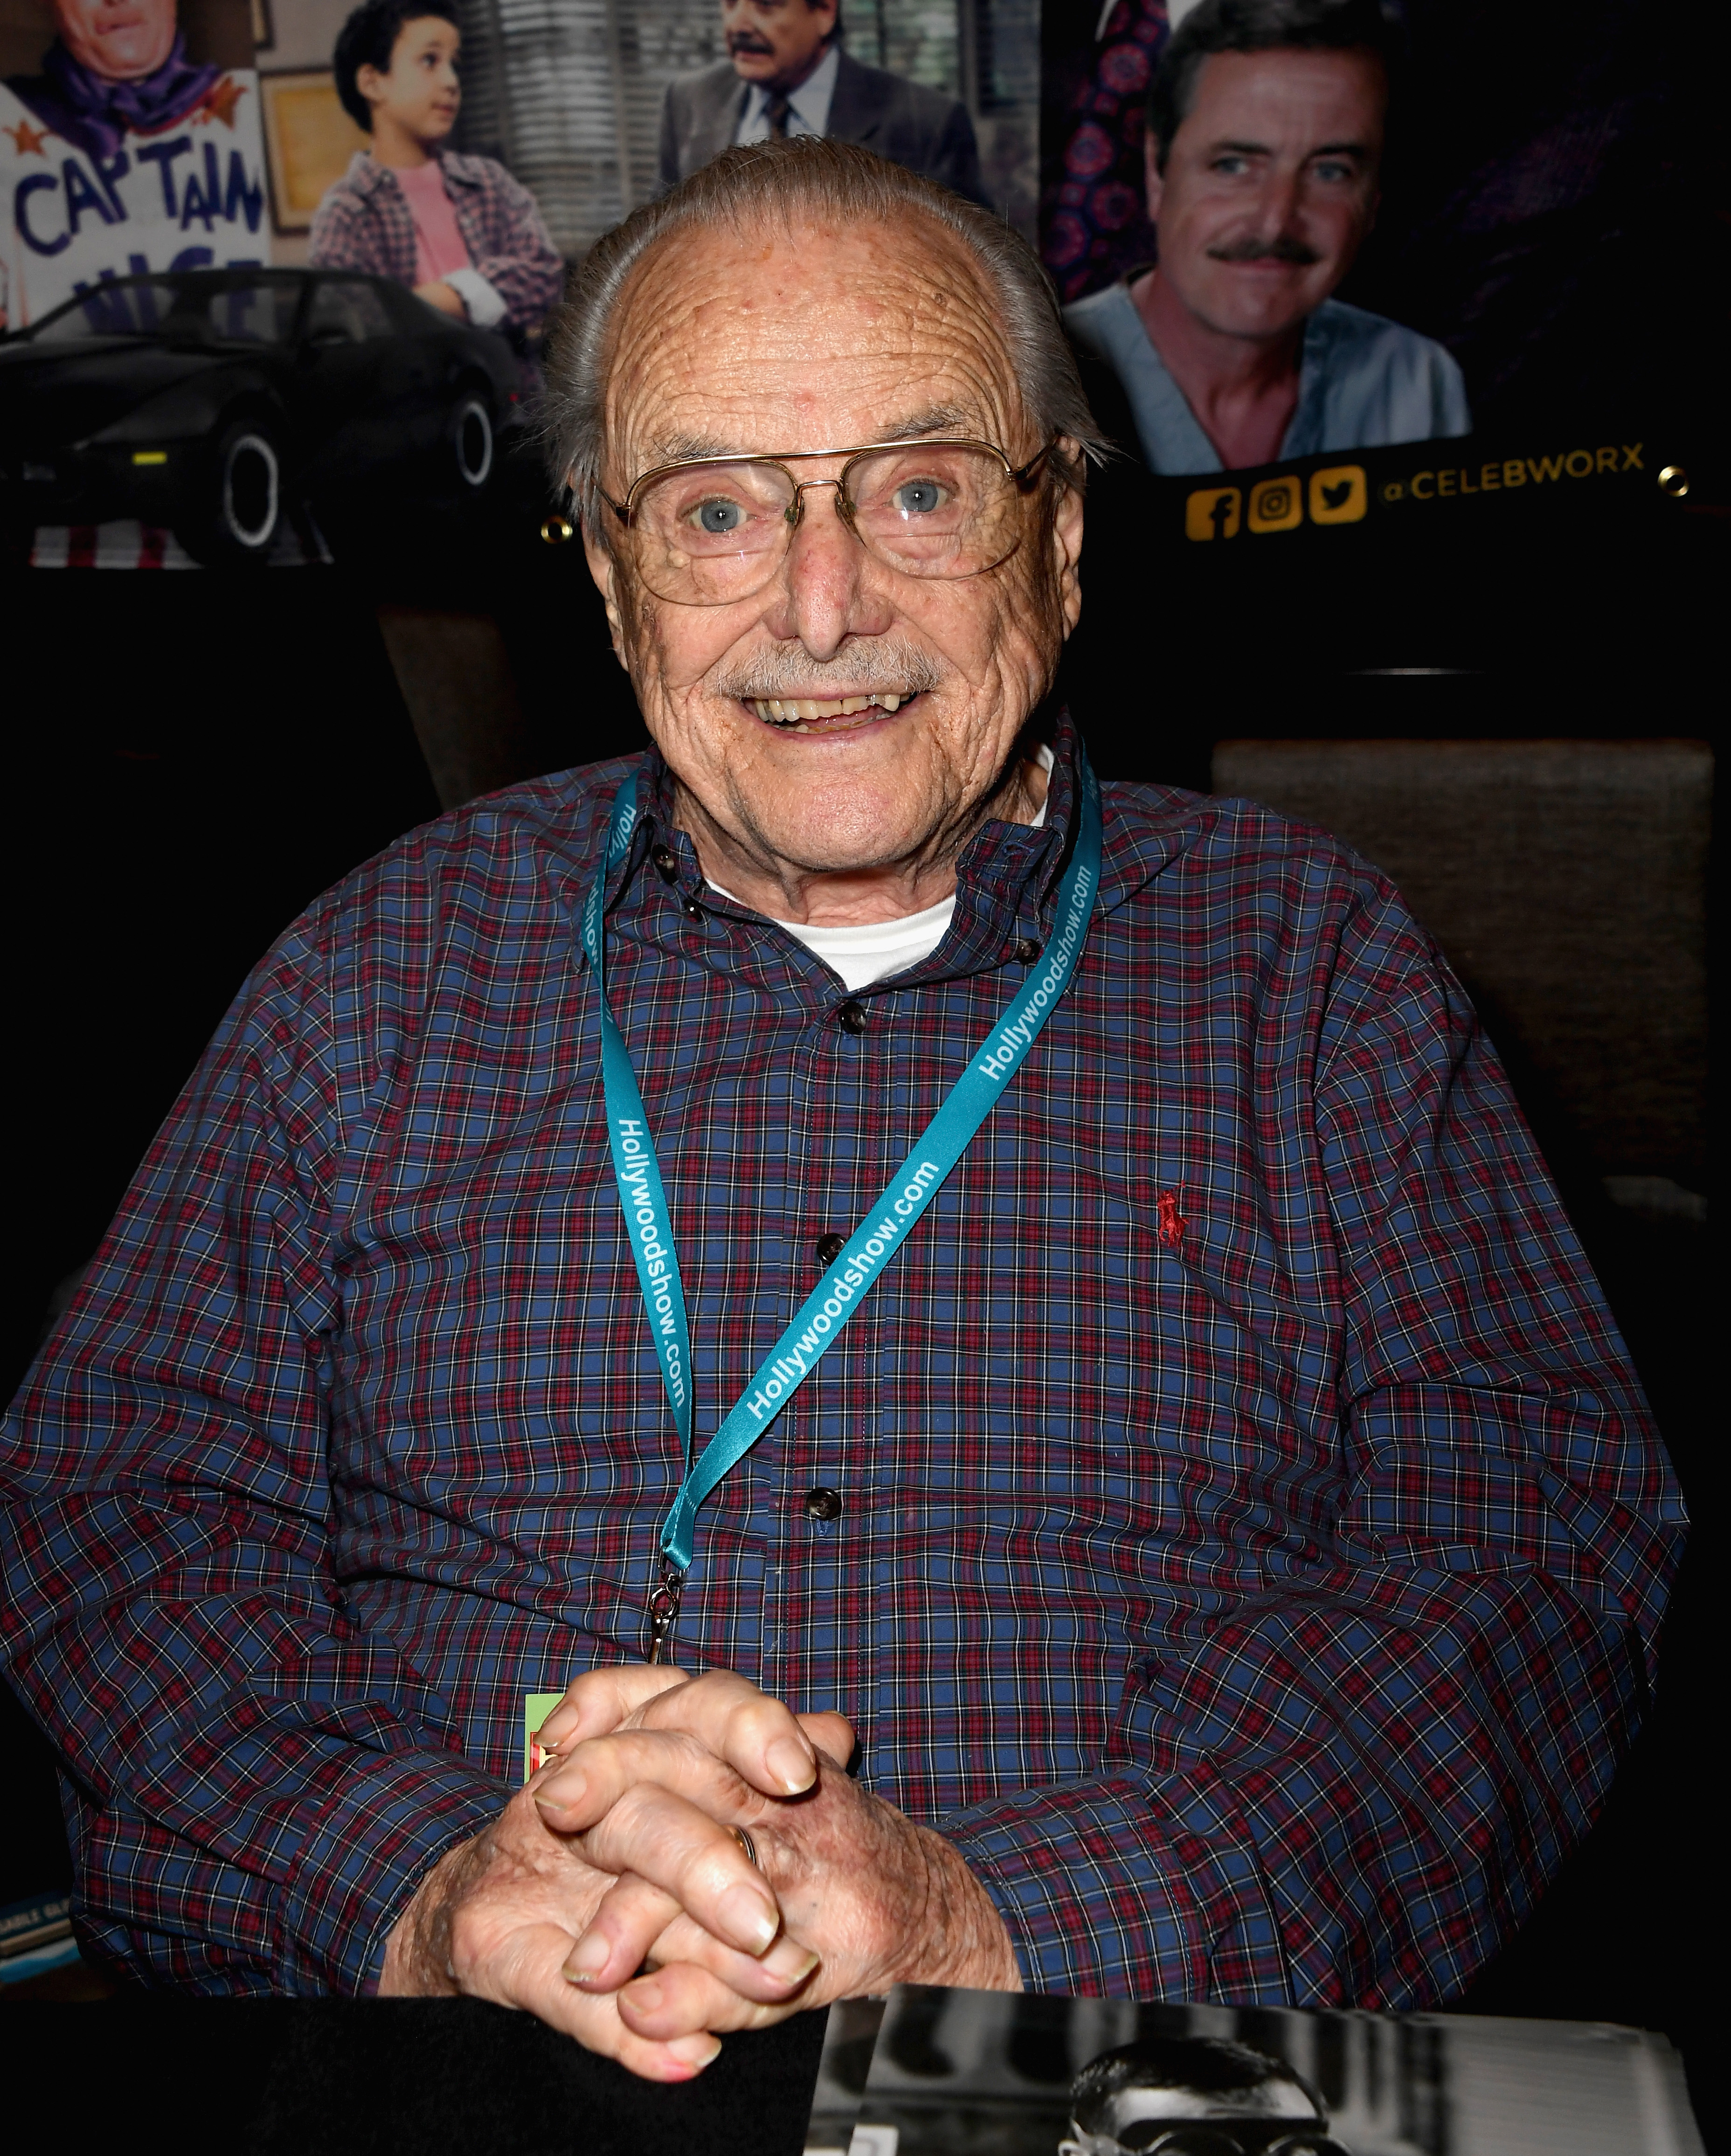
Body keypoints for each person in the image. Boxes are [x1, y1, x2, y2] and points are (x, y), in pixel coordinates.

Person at [0, 138, 1681, 2081]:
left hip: (1107, 2060)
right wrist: (418, 1884)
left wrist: (1011, 1915)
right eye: (716, 509)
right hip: (444, 2050)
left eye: (918, 489)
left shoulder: (1311, 973)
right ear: (615, 569)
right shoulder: (385, 963)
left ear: (1057, 541)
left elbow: (1530, 1550)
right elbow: (119, 1496)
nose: (820, 605)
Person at [1064, 0, 1469, 473]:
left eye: (1330, 171)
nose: (1276, 221)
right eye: (1233, 165)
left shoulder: (1415, 383)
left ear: (1374, 198)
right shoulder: (1029, 375)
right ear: (1157, 172)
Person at [308, 0, 563, 338]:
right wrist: (483, 295)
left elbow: (544, 277)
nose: (451, 81)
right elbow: (356, 328)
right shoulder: (348, 211)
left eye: (453, 64)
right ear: (372, 83)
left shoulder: (487, 182)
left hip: (509, 386)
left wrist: (428, 300)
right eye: (430, 60)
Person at [659, 0, 986, 205]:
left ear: (825, 12)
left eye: (767, 5)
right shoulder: (689, 100)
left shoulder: (928, 123)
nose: (739, 25)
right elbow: (661, 234)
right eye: (730, 3)